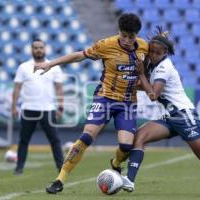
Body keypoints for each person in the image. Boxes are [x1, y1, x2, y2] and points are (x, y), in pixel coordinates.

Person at [120, 27, 200, 197]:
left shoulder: (164, 67)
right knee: (139, 136)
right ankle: (129, 180)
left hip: (184, 115)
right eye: (151, 51)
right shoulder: (151, 63)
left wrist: (141, 75)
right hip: (169, 117)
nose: (152, 55)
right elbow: (144, 85)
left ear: (165, 53)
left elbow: (153, 95)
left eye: (157, 53)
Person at [34, 13, 148, 194]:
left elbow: (152, 66)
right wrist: (51, 64)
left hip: (127, 103)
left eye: (131, 36)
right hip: (105, 98)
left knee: (126, 146)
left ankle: (116, 163)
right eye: (123, 35)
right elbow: (79, 56)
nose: (126, 40)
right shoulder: (106, 45)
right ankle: (60, 179)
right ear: (119, 32)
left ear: (137, 35)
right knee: (87, 136)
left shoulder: (144, 47)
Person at [11, 39, 64, 175]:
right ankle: (19, 167)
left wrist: (61, 106)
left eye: (41, 47)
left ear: (45, 49)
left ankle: (61, 168)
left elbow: (59, 88)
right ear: (32, 50)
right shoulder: (23, 67)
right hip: (29, 108)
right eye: (36, 48)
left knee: (55, 140)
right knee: (24, 140)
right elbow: (17, 88)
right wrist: (13, 107)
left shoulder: (54, 66)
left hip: (48, 109)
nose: (38, 50)